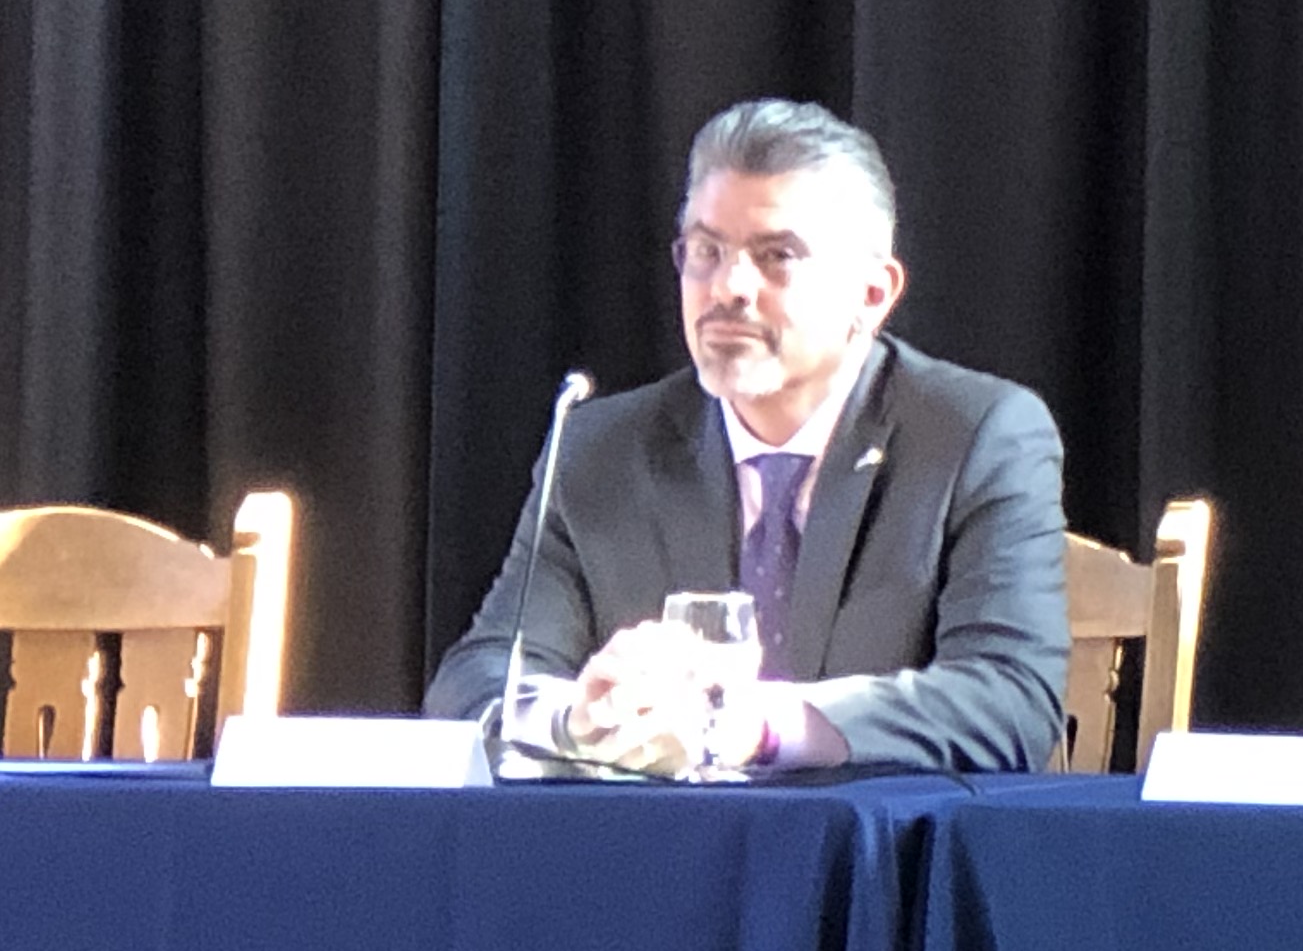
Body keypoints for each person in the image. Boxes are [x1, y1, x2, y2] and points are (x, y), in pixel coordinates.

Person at [427, 99, 1070, 773]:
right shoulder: (600, 451)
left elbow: (1010, 700)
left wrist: (758, 726)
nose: (729, 288)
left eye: (778, 257)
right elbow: (474, 681)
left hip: (871, 861)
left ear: (872, 294)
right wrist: (575, 719)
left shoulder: (975, 436)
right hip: (653, 860)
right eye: (706, 252)